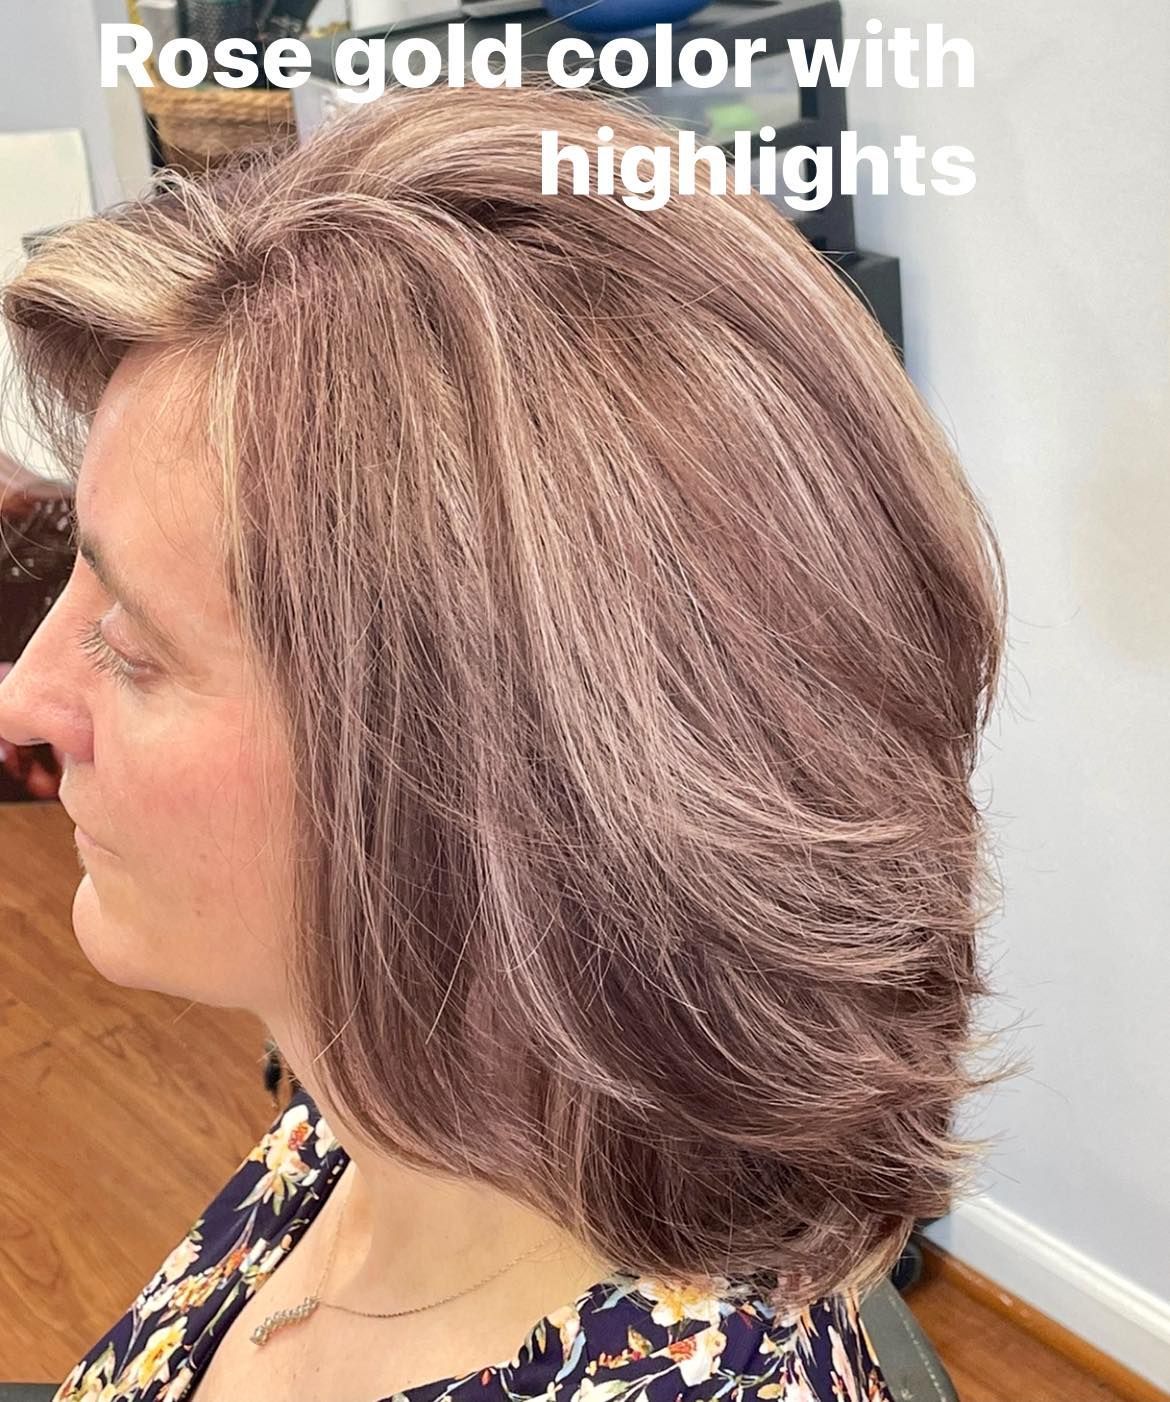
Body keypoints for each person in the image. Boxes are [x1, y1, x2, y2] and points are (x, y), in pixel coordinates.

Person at [0, 81, 1005, 1402]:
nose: (23, 697)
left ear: (497, 814)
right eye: (73, 568)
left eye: (133, 647)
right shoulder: (393, 1091)